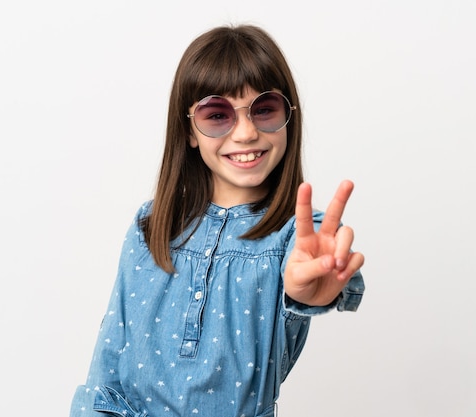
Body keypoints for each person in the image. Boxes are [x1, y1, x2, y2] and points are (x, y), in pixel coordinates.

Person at [69, 24, 365, 417]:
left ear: (289, 116)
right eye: (217, 115)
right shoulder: (152, 225)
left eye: (264, 109)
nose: (245, 133)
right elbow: (108, 363)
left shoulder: (294, 235)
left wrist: (308, 292)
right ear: (189, 129)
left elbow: (310, 272)